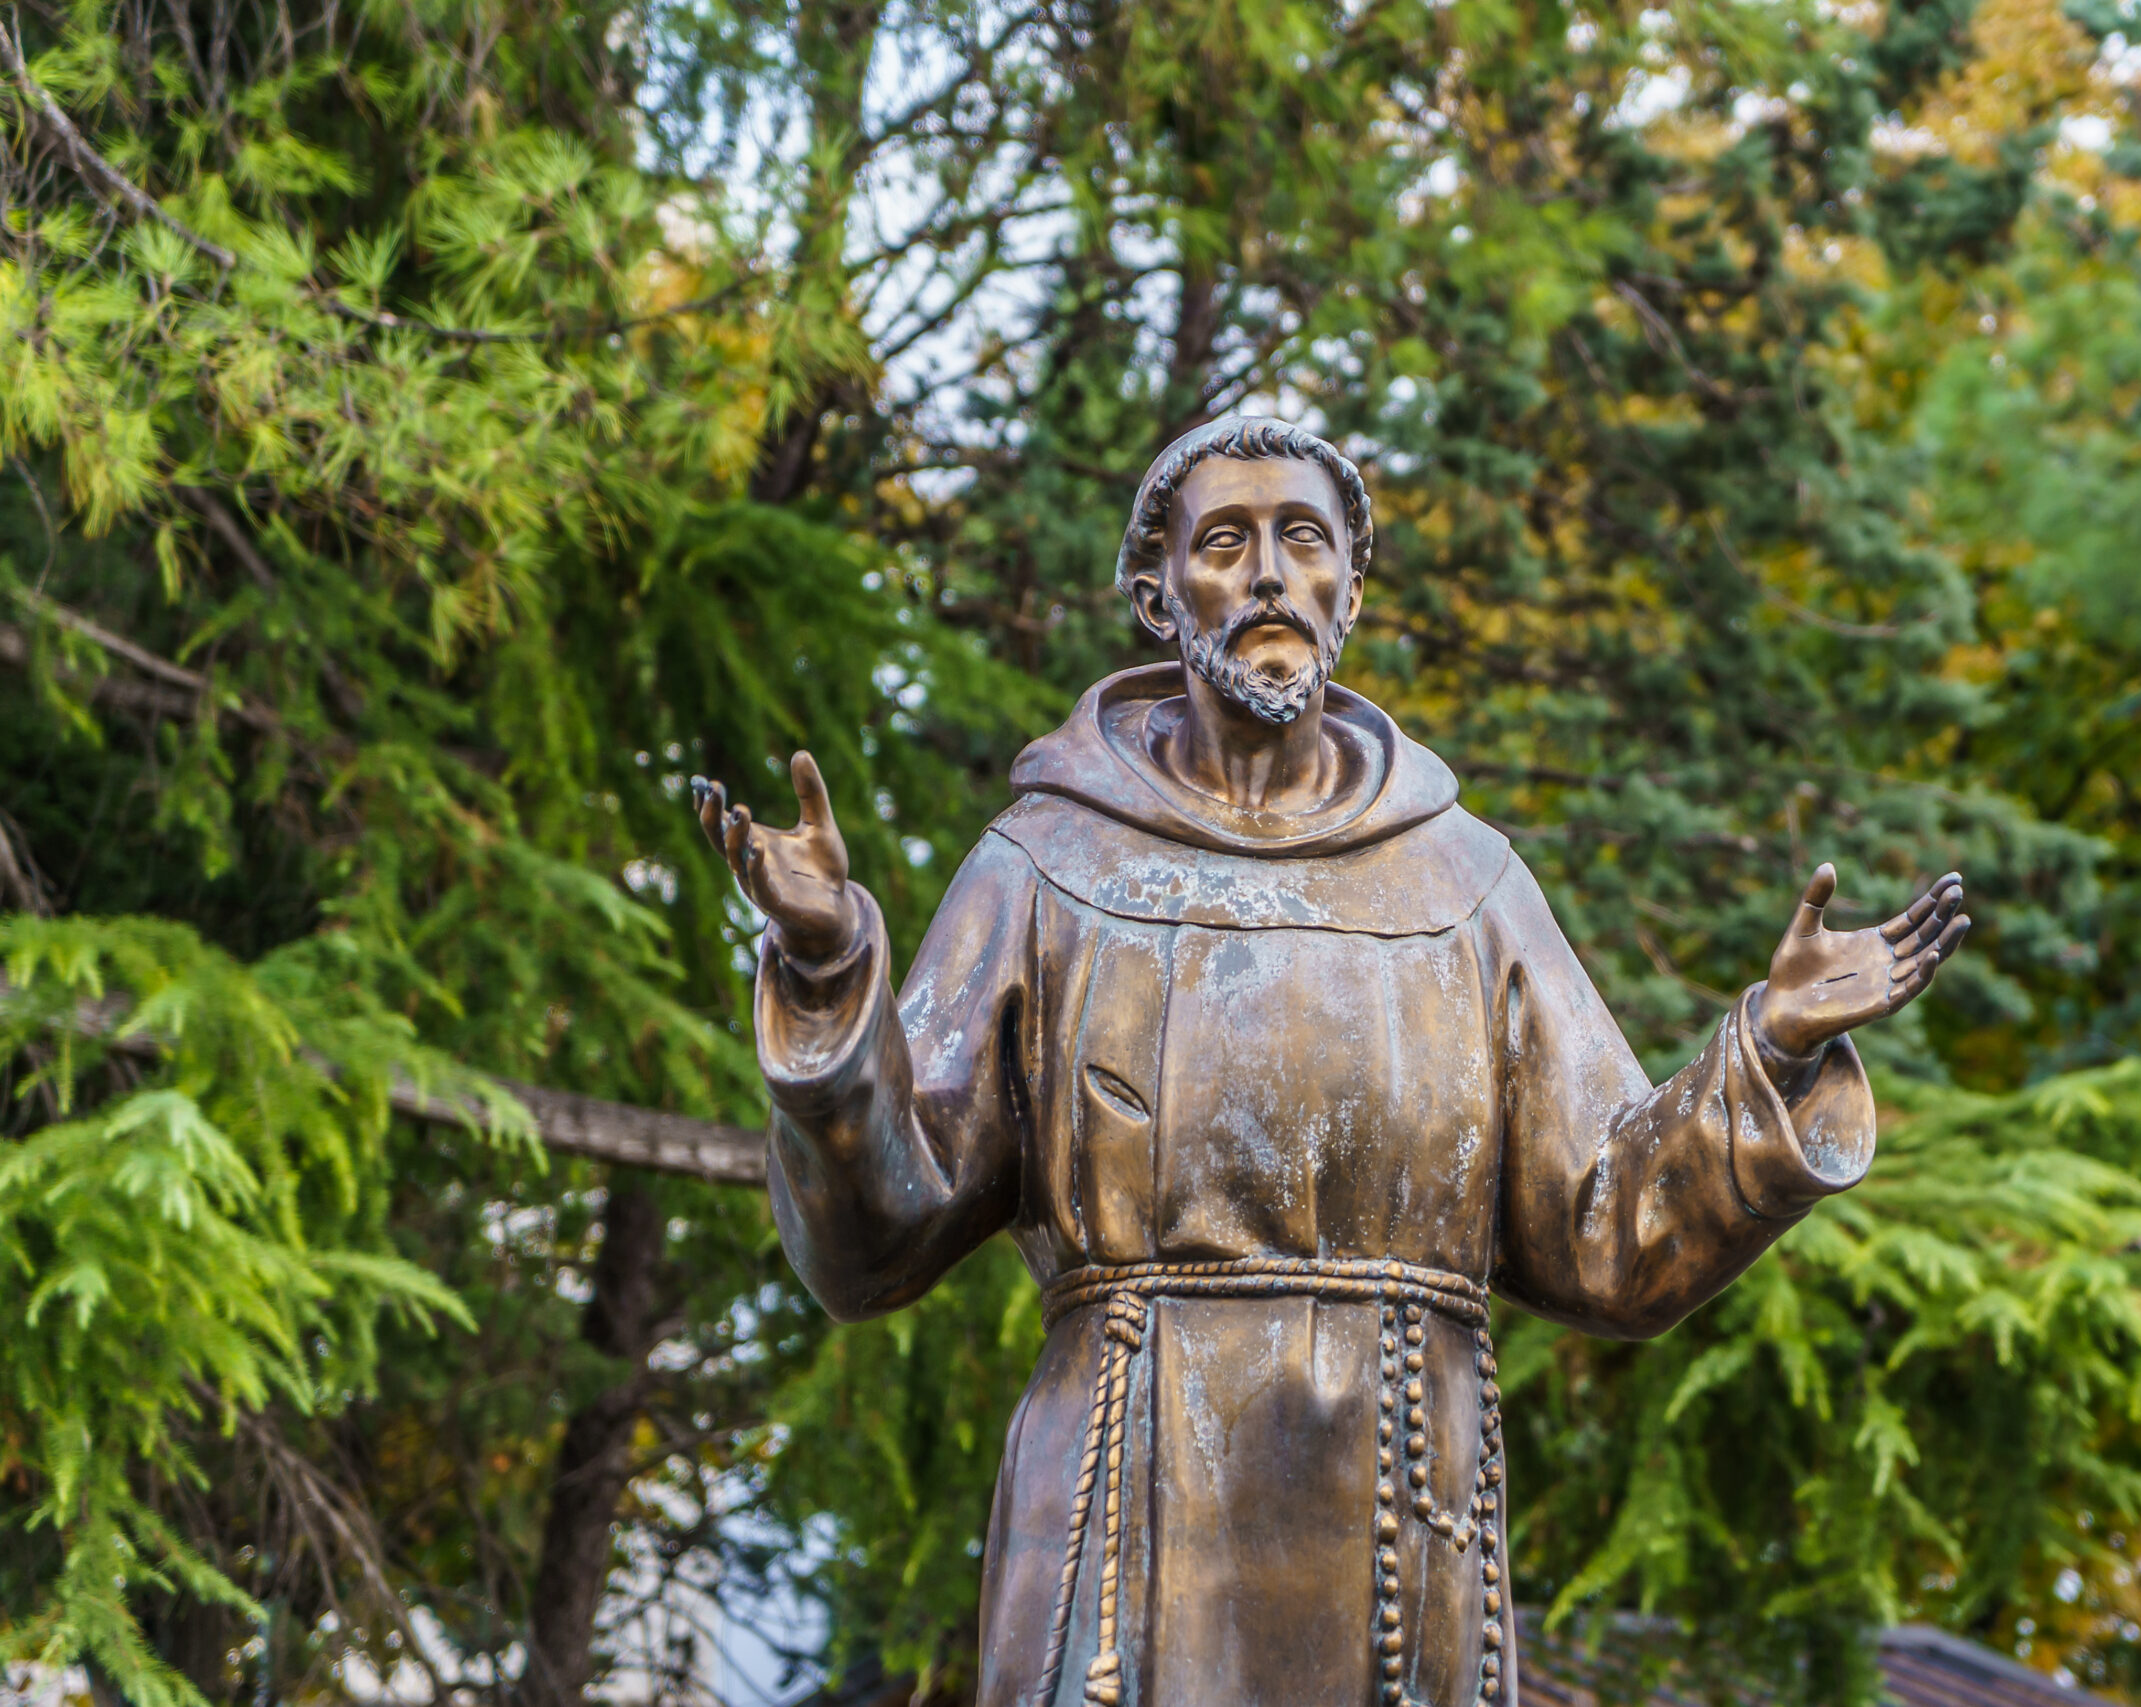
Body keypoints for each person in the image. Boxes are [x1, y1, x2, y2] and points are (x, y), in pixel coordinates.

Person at [695, 417, 1969, 1707]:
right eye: (1226, 542)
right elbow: (873, 1241)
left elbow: (1609, 1230)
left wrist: (1773, 1048)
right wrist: (826, 978)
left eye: (1304, 541)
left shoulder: (1464, 884)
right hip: (1124, 1531)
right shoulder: (1045, 869)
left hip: (1398, 1537)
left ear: (1349, 591)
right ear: (1156, 592)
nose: (1267, 575)